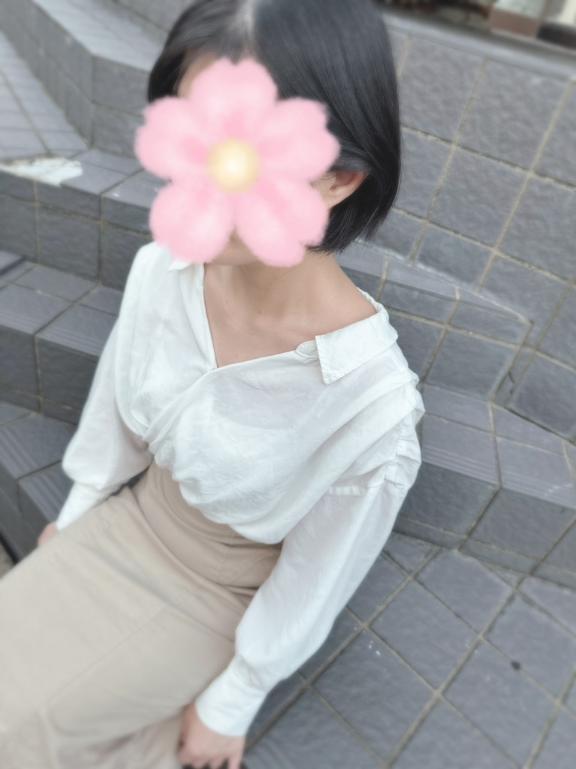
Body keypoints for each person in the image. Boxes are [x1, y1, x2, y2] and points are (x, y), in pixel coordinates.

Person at [0, 1, 425, 767]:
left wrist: (231, 701)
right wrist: (79, 512)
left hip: (215, 594)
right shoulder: (163, 269)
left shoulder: (369, 406)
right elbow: (112, 422)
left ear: (337, 177)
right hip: (126, 524)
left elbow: (315, 580)